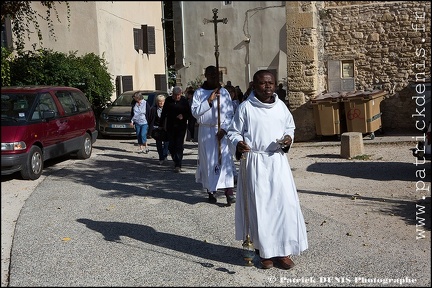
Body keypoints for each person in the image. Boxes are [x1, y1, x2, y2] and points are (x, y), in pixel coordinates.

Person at [226, 70, 308, 269]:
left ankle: (283, 252)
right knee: (261, 208)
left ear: (275, 84)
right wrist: (238, 143)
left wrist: (288, 139)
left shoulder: (281, 106)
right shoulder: (246, 108)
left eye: (271, 82)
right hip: (255, 162)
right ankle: (264, 252)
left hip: (278, 161)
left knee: (284, 206)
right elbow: (233, 131)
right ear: (254, 85)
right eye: (263, 83)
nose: (268, 86)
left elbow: (290, 127)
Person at [191, 65, 236, 205]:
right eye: (211, 76)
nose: (214, 78)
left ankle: (229, 192)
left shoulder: (224, 92)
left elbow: (229, 113)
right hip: (206, 132)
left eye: (216, 76)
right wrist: (209, 101)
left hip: (221, 130)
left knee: (225, 160)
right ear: (206, 76)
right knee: (209, 162)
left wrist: (225, 129)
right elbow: (195, 112)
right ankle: (211, 191)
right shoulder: (199, 93)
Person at [160, 86, 191, 172]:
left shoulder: (184, 101)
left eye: (179, 95)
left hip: (181, 127)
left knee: (179, 145)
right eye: (175, 95)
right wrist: (160, 124)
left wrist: (183, 116)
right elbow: (164, 113)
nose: (177, 97)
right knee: (171, 146)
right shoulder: (168, 100)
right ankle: (175, 159)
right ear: (172, 94)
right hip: (170, 126)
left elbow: (189, 113)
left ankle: (178, 164)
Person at [149, 94, 169, 164]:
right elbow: (151, 120)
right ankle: (161, 158)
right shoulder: (153, 109)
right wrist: (150, 131)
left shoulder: (167, 109)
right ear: (157, 102)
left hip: (166, 128)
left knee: (167, 143)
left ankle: (165, 154)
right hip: (157, 129)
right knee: (158, 144)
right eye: (159, 101)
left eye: (162, 101)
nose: (161, 103)